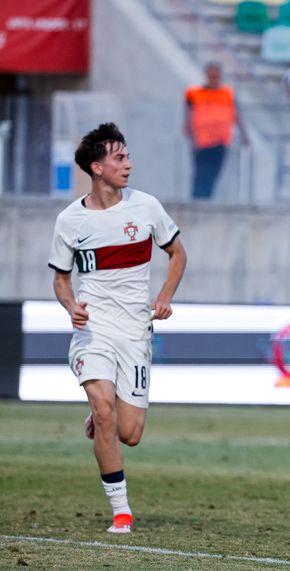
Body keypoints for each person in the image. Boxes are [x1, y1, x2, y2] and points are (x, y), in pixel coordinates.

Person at [47, 123, 187, 533]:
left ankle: (98, 421)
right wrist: (72, 306)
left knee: (130, 433)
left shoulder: (145, 207)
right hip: (94, 333)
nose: (128, 164)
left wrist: (164, 297)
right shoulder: (70, 220)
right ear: (97, 167)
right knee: (105, 411)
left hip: (135, 332)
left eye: (126, 156)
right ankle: (121, 514)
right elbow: (60, 279)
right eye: (119, 157)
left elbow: (177, 253)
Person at [184, 62, 247, 200]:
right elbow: (188, 115)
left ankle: (206, 199)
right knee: (200, 173)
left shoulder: (227, 93)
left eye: (216, 75)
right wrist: (190, 137)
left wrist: (244, 135)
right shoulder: (194, 93)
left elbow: (236, 115)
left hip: (221, 141)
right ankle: (197, 199)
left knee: (213, 173)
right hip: (202, 141)